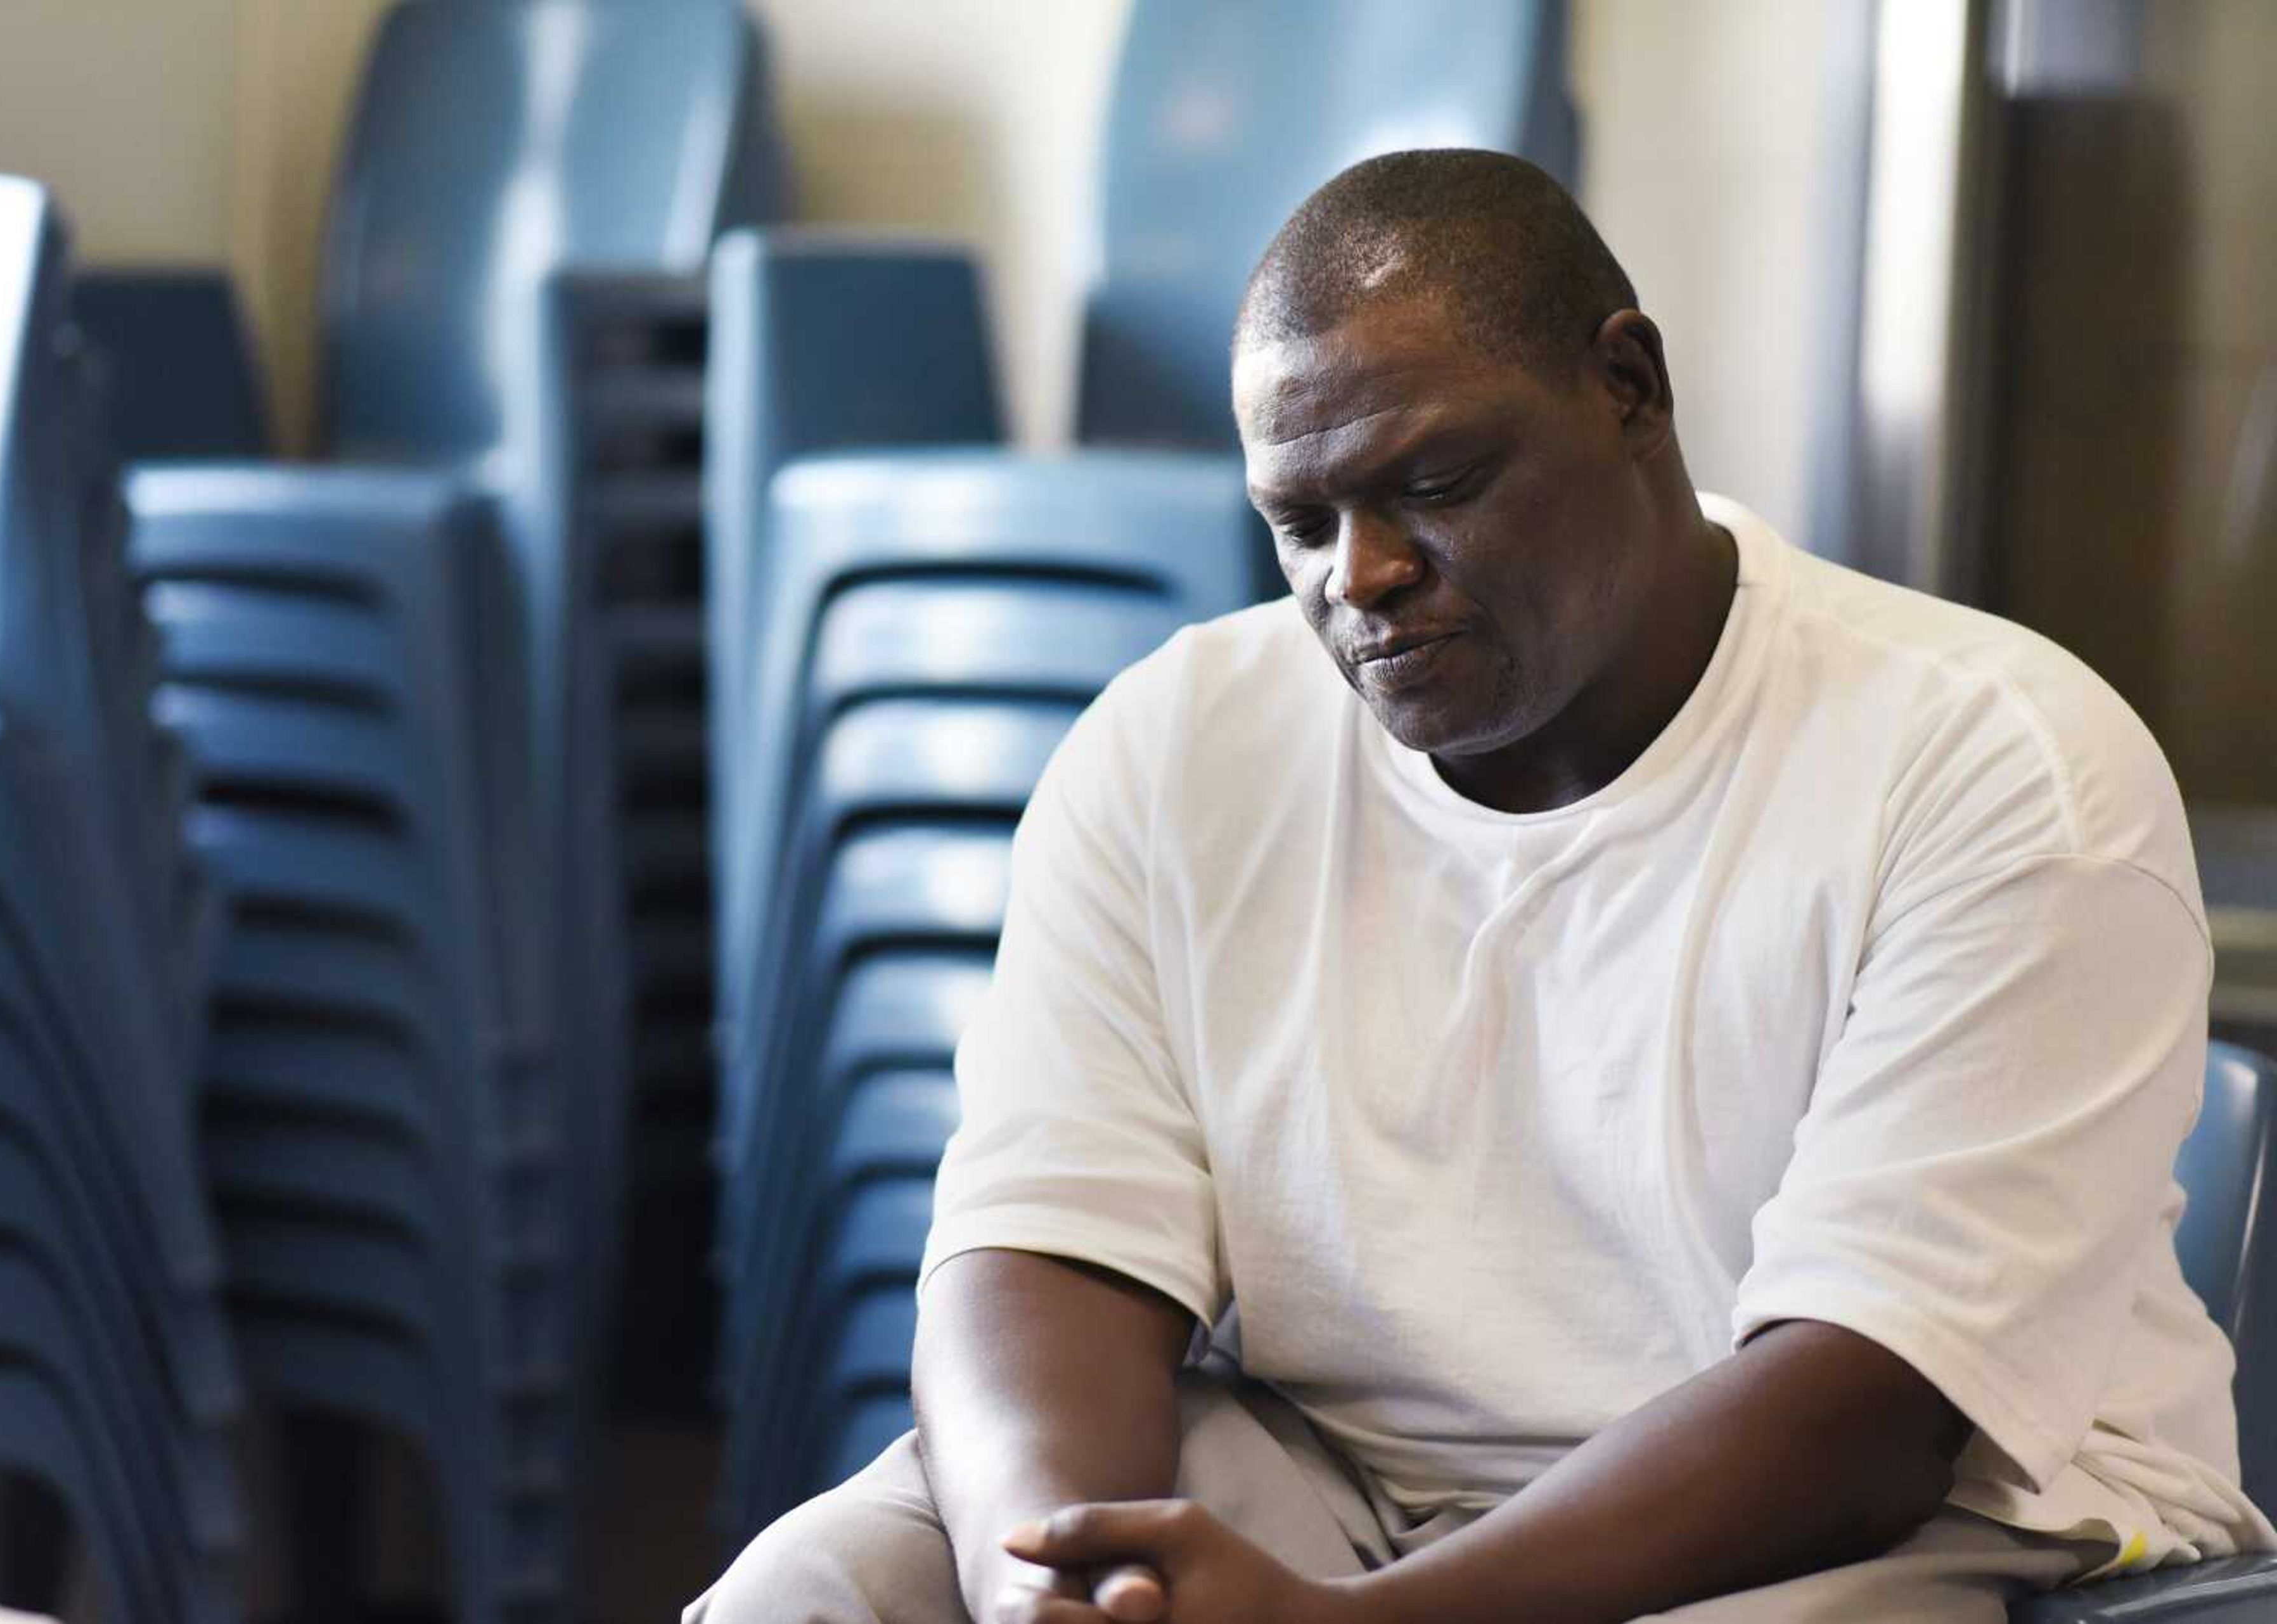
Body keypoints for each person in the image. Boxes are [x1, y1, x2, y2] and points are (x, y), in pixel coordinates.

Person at [686, 148, 2273, 1623]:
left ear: (1629, 388)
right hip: (1330, 1469)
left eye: (1432, 484)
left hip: (1887, 1524)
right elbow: (1044, 1248)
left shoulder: (1998, 762)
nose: (1357, 575)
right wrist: (1072, 1578)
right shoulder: (1176, 744)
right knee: (815, 1589)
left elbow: (1868, 1415)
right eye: (1299, 522)